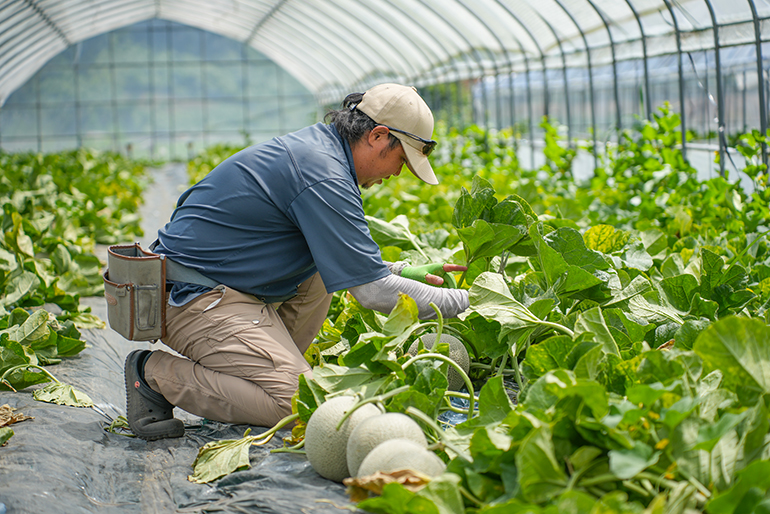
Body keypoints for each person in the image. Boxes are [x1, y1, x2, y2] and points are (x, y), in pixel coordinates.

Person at [124, 83, 470, 441]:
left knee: (324, 270)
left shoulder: (322, 152)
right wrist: (470, 305)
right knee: (298, 406)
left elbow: (354, 266)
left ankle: (248, 377)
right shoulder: (323, 172)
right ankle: (153, 375)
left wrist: (399, 272)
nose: (397, 174)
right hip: (192, 297)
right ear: (379, 136)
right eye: (402, 161)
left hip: (224, 287)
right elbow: (371, 292)